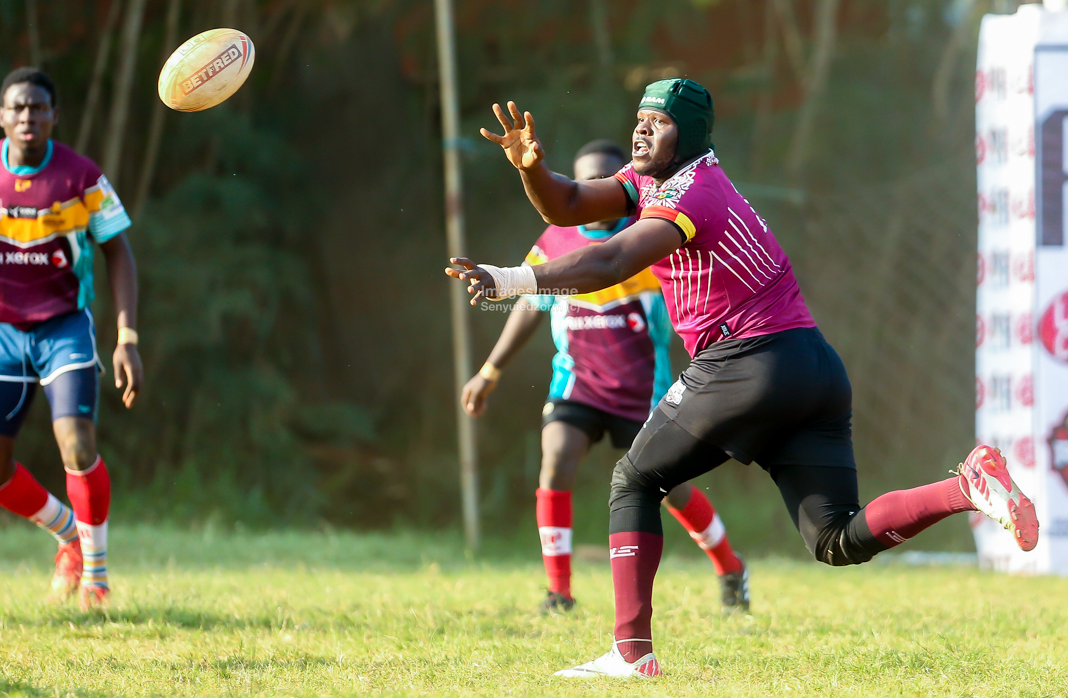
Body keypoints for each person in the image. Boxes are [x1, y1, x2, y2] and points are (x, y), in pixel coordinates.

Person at [445, 79, 1038, 679]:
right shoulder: (653, 180)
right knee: (835, 539)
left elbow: (612, 259)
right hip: (811, 367)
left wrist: (511, 279)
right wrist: (532, 169)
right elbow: (568, 206)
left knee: (634, 479)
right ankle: (966, 489)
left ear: (689, 136)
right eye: (641, 117)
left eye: (659, 121)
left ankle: (631, 653)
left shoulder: (692, 191)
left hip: (748, 360)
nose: (642, 128)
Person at [462, 139, 748, 614]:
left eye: (607, 178)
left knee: (670, 488)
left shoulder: (649, 236)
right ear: (574, 185)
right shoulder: (555, 240)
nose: (597, 185)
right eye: (587, 178)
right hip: (577, 384)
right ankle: (559, 592)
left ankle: (730, 567)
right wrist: (490, 371)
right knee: (556, 460)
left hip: (644, 394)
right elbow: (531, 304)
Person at [0, 68, 142, 609]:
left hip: (63, 327)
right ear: (2, 116)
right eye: (18, 107)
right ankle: (68, 536)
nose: (28, 116)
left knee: (76, 443)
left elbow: (119, 252)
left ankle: (96, 579)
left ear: (55, 116)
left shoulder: (82, 177)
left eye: (38, 107)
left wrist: (126, 337)